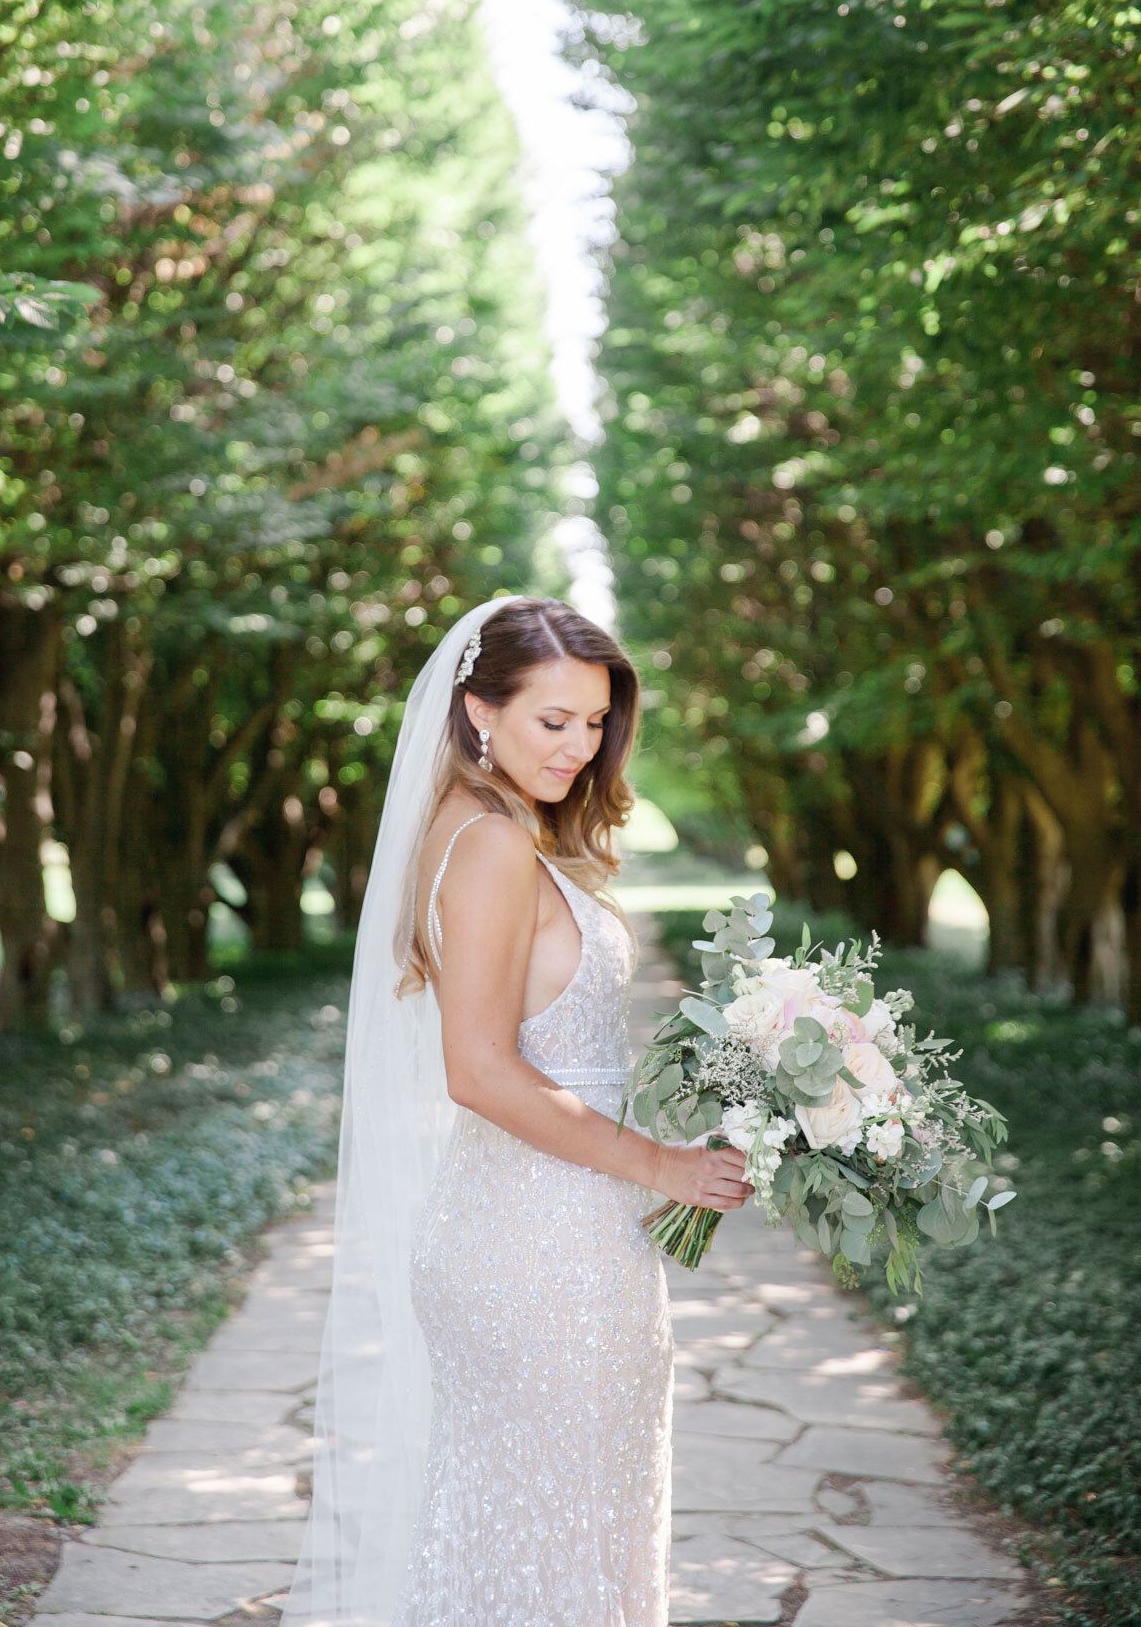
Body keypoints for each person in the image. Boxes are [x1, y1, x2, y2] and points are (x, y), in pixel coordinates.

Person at [281, 596, 753, 1627]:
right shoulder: (491, 845)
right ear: (477, 710)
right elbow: (482, 1071)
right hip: (544, 1259)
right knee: (562, 1542)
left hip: (531, 1232)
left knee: (531, 1536)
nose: (581, 748)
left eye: (595, 723)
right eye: (554, 721)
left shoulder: (476, 825)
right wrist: (664, 1167)